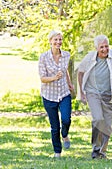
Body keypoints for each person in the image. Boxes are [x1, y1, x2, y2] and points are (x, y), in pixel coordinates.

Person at [77, 35, 112, 159]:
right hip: (92, 92)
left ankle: (102, 151)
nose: (105, 49)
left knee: (107, 126)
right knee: (98, 119)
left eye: (106, 46)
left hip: (109, 95)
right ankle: (95, 149)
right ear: (96, 48)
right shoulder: (89, 57)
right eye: (101, 47)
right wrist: (82, 92)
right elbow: (80, 72)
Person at [38, 30, 74, 158]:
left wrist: (69, 83)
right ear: (50, 41)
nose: (58, 42)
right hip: (49, 95)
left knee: (66, 119)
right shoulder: (43, 57)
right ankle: (57, 152)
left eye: (60, 39)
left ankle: (65, 135)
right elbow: (42, 78)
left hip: (64, 93)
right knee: (55, 126)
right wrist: (54, 77)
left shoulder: (66, 55)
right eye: (56, 40)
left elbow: (65, 72)